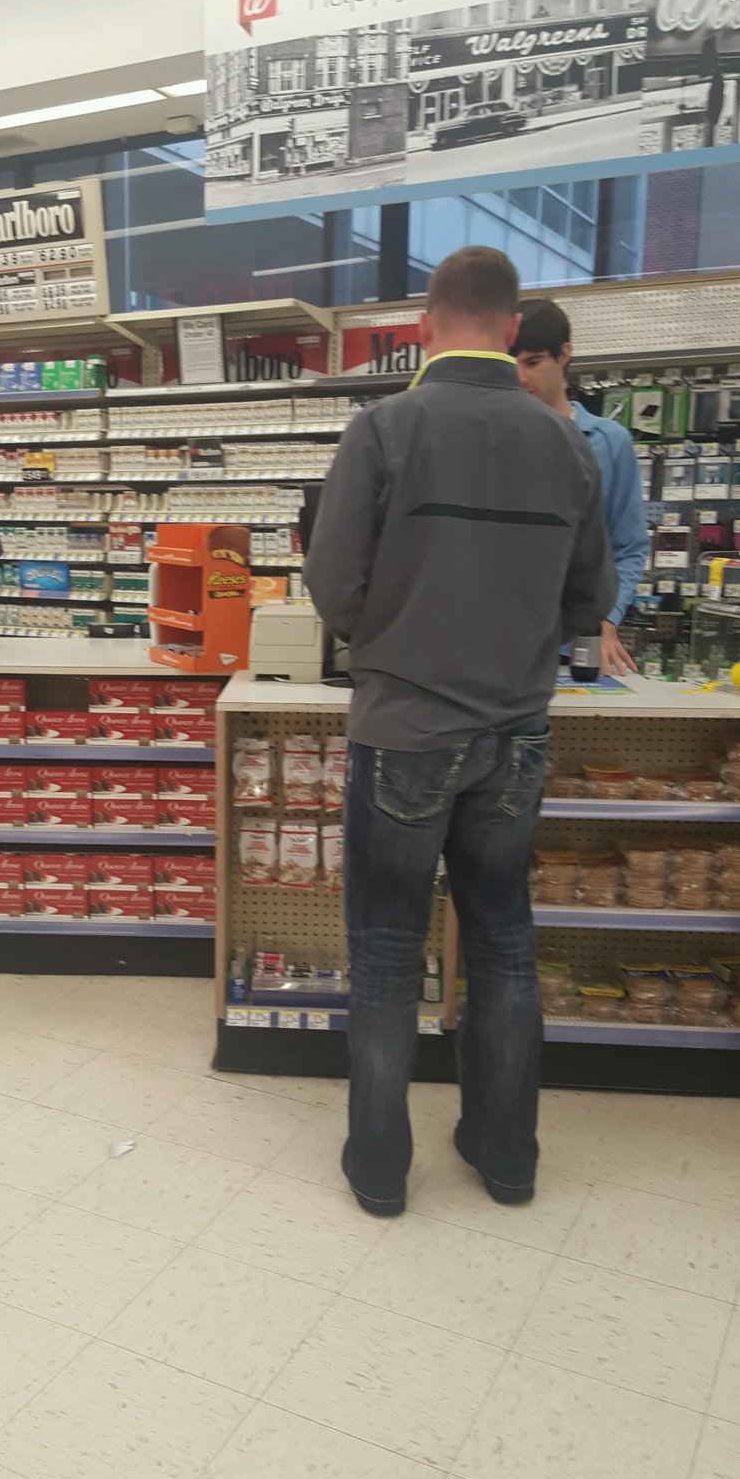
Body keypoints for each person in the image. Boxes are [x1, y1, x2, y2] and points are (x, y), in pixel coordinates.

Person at [304, 246, 615, 1217]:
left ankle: (380, 1168)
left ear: (423, 326)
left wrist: (397, 637)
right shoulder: (566, 442)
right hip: (515, 732)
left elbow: (332, 586)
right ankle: (506, 1155)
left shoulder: (383, 429)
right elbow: (591, 600)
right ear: (516, 330)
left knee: (387, 951)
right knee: (505, 944)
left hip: (404, 726)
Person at [513, 298, 649, 677]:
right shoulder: (496, 441)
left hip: (578, 650)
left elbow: (629, 548)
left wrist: (606, 619)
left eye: (533, 362)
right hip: (504, 646)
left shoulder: (610, 443)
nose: (521, 377)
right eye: (512, 364)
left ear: (565, 354)